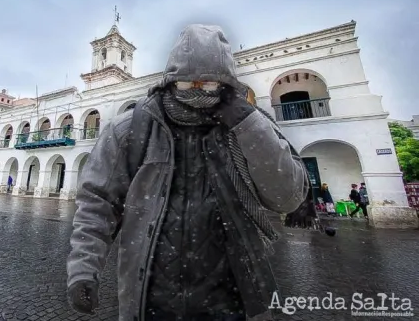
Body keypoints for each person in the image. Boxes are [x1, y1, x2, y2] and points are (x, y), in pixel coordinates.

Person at [66, 24, 310, 321]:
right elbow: (97, 203)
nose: (197, 91)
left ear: (225, 83)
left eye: (207, 84)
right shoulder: (131, 129)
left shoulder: (247, 127)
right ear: (171, 79)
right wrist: (83, 268)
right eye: (187, 83)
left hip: (235, 300)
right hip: (151, 299)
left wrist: (249, 126)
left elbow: (288, 198)